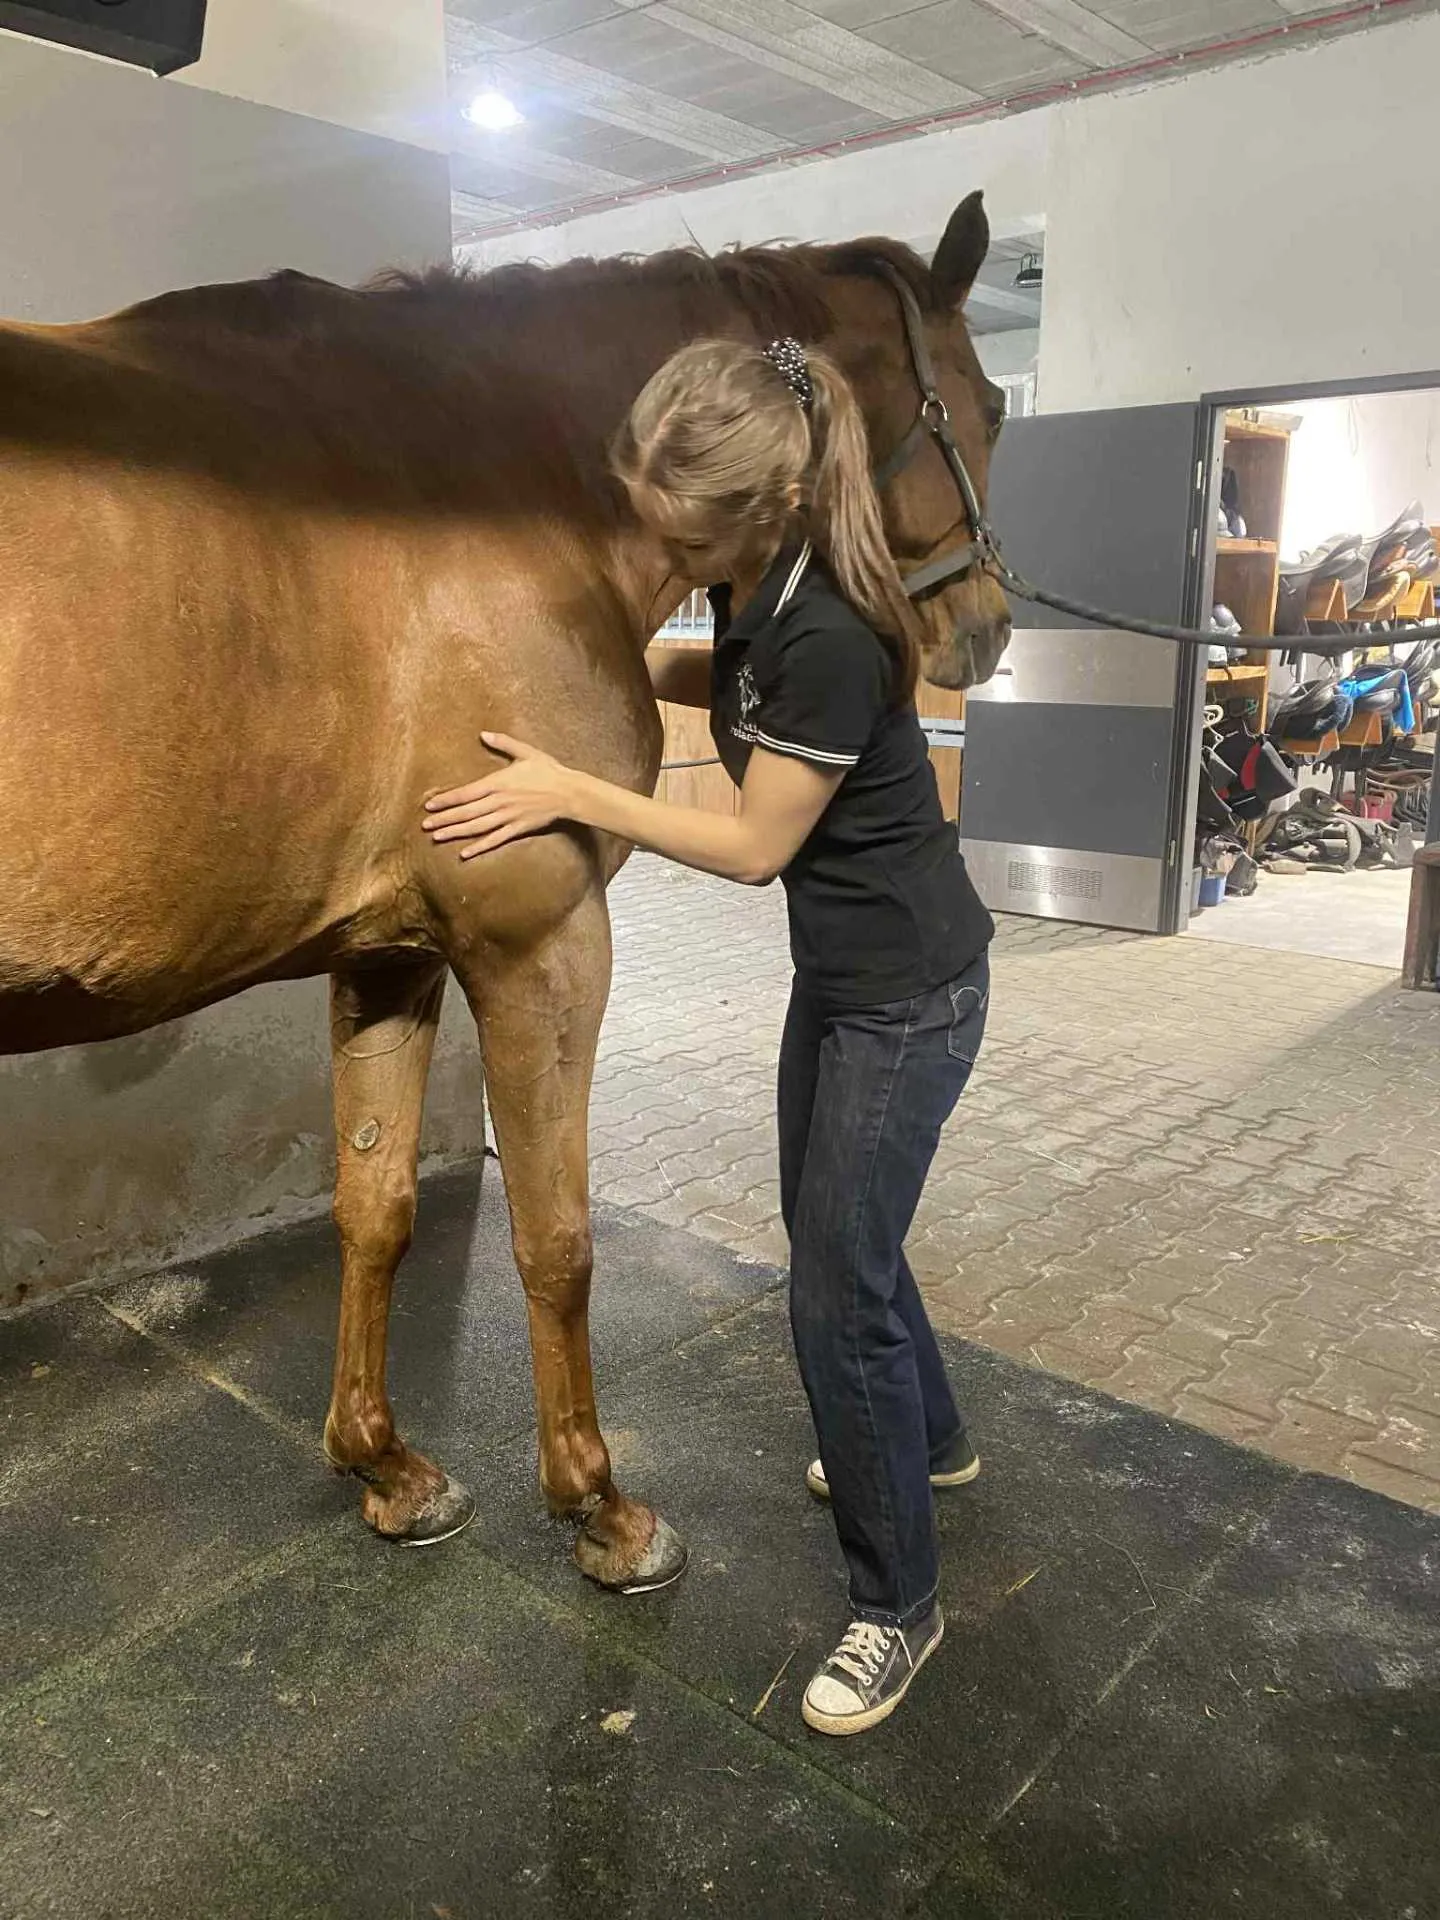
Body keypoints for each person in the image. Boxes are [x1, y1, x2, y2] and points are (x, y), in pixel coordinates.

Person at [422, 335, 995, 1737]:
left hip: (911, 997)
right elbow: (723, 683)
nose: (662, 553)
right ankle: (932, 1442)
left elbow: (749, 848)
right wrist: (584, 672)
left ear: (769, 509)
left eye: (684, 534)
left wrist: (572, 787)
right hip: (846, 981)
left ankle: (898, 1608)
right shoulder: (757, 589)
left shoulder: (832, 632)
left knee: (832, 1295)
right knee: (841, 1240)